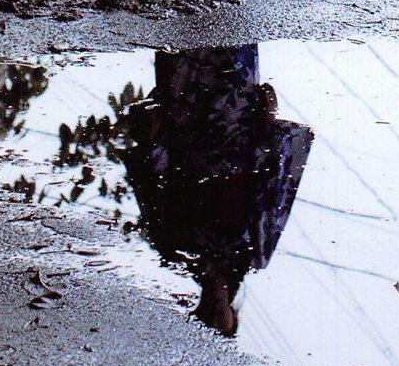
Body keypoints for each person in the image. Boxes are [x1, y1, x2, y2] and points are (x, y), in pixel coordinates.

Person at [122, 46, 313, 337]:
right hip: (236, 123)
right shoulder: (253, 252)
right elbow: (273, 180)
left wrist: (152, 134)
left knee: (179, 40)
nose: (212, 311)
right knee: (232, 36)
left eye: (205, 316)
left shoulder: (175, 250)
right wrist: (268, 120)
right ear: (231, 314)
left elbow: (151, 183)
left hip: (187, 123)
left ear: (197, 308)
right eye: (219, 319)